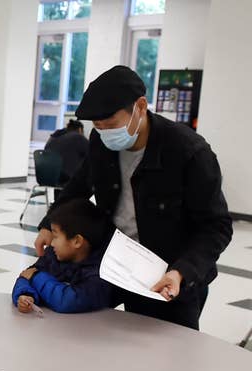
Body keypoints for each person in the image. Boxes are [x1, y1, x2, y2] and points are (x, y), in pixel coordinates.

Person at [35, 65, 232, 330]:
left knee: (170, 355)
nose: (104, 132)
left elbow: (216, 227)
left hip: (171, 276)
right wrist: (49, 224)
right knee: (102, 336)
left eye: (111, 124)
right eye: (97, 126)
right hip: (119, 263)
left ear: (140, 107)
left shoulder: (188, 152)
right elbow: (78, 187)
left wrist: (181, 272)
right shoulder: (101, 141)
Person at [13, 199, 113, 314]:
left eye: (55, 236)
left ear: (77, 241)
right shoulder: (53, 256)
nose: (52, 243)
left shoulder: (99, 273)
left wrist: (36, 277)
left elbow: (68, 301)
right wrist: (26, 295)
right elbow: (26, 276)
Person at [43, 119, 89, 184]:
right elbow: (92, 152)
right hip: (66, 177)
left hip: (46, 174)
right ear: (80, 129)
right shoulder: (78, 137)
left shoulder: (53, 137)